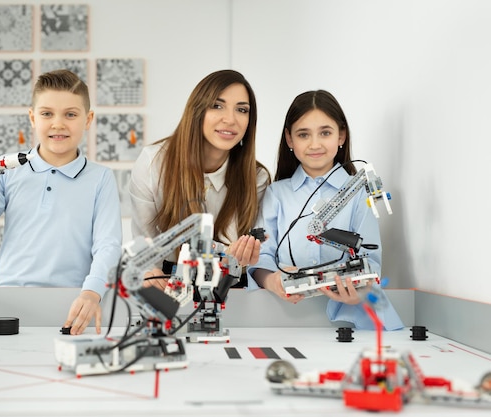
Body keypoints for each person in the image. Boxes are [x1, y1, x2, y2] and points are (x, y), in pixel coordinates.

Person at [0, 69, 123, 335]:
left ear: (88, 120)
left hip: (75, 305)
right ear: (32, 117)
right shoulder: (6, 169)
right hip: (10, 303)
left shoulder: (101, 178)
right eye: (46, 113)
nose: (58, 123)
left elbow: (108, 245)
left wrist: (92, 293)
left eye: (70, 114)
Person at [247, 90, 403, 330]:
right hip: (285, 319)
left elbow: (369, 259)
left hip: (349, 318)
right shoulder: (276, 194)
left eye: (325, 133)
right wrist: (273, 280)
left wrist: (359, 291)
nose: (315, 144)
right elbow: (261, 258)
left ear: (341, 135)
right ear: (290, 139)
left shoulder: (358, 192)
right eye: (303, 134)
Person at [129, 69, 271, 289]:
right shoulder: (153, 163)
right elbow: (144, 243)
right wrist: (149, 272)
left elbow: (249, 257)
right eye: (217, 105)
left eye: (242, 110)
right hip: (168, 280)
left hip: (229, 285)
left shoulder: (256, 178)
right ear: (197, 110)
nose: (230, 119)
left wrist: (240, 259)